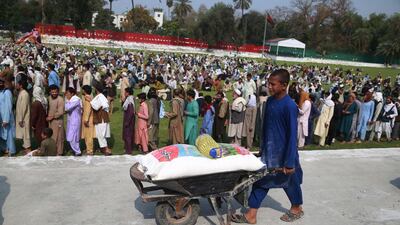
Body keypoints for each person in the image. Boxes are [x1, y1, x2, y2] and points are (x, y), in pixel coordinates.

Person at [231, 69, 303, 224]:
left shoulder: (289, 106)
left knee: (290, 182)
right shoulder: (269, 101)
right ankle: (251, 214)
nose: (269, 87)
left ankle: (296, 207)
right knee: (261, 181)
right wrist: (263, 148)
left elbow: (292, 136)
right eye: (268, 83)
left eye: (273, 84)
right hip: (270, 152)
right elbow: (266, 128)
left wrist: (289, 162)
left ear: (284, 86)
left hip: (284, 154)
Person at [90, 81, 112, 156]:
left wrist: (90, 101)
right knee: (101, 134)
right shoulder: (100, 96)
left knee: (101, 134)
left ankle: (106, 149)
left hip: (101, 117)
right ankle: (104, 149)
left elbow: (97, 107)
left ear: (96, 89)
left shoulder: (100, 97)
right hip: (101, 117)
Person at [47, 85, 65, 155]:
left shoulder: (60, 99)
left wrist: (52, 117)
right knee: (52, 137)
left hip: (58, 121)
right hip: (51, 122)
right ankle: (53, 151)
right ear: (50, 92)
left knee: (59, 137)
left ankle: (59, 153)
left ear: (58, 92)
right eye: (52, 92)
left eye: (55, 92)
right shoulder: (49, 98)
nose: (54, 93)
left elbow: (60, 112)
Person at [0, 77, 16, 156]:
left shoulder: (7, 92)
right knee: (2, 134)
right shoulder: (1, 92)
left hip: (7, 117)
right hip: (1, 117)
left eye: (1, 83)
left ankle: (11, 150)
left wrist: (6, 120)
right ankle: (4, 149)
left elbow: (8, 106)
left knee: (9, 134)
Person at [15, 78, 31, 153]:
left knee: (26, 133)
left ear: (21, 85)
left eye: (17, 84)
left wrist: (21, 119)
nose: (16, 85)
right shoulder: (22, 93)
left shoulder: (24, 94)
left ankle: (28, 149)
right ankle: (25, 148)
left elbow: (23, 107)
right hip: (22, 117)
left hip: (24, 118)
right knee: (24, 133)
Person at [65, 87, 82, 156]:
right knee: (73, 136)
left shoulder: (76, 99)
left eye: (68, 93)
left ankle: (77, 151)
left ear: (72, 93)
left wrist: (67, 100)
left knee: (72, 137)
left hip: (75, 120)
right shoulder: (71, 99)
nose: (66, 95)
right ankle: (76, 151)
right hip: (71, 120)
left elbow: (67, 108)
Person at [122, 87, 135, 154]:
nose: (124, 93)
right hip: (129, 119)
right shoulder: (129, 99)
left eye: (125, 92)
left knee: (128, 135)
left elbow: (131, 111)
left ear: (128, 93)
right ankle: (128, 148)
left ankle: (129, 150)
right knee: (128, 134)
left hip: (129, 119)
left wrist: (127, 121)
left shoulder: (129, 100)